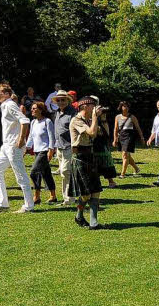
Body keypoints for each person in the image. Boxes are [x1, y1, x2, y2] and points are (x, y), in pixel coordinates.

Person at [0, 83, 35, 214]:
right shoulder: (5, 105)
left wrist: (20, 140)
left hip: (13, 146)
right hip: (6, 146)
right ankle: (3, 203)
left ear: (7, 94)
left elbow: (25, 121)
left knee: (20, 176)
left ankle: (28, 206)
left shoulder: (9, 105)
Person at [68, 97, 106, 229]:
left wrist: (100, 119)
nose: (95, 108)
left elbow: (99, 134)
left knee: (96, 190)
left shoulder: (89, 120)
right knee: (85, 194)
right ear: (84, 107)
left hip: (90, 155)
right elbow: (91, 132)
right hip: (80, 157)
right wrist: (95, 118)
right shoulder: (76, 120)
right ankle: (79, 214)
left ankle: (94, 223)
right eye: (93, 106)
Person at [27, 101, 58, 204]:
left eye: (34, 108)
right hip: (37, 151)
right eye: (32, 108)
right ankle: (53, 196)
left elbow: (51, 137)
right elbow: (31, 137)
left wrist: (51, 150)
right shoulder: (33, 122)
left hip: (44, 151)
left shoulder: (47, 121)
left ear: (41, 110)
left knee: (34, 172)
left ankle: (36, 195)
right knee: (46, 174)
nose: (32, 110)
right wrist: (26, 148)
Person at [52, 91, 77, 205]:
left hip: (69, 146)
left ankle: (69, 198)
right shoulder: (57, 112)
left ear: (68, 100)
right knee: (64, 173)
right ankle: (67, 197)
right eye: (58, 100)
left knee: (66, 172)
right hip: (59, 146)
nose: (61, 102)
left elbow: (76, 129)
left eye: (63, 99)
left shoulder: (72, 113)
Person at [113, 101, 145, 178]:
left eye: (127, 106)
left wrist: (142, 137)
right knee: (127, 155)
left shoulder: (132, 117)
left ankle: (122, 174)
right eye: (124, 106)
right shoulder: (117, 117)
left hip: (129, 137)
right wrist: (115, 139)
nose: (126, 108)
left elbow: (138, 127)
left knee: (125, 155)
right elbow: (116, 129)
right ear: (121, 107)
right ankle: (136, 168)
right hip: (121, 137)